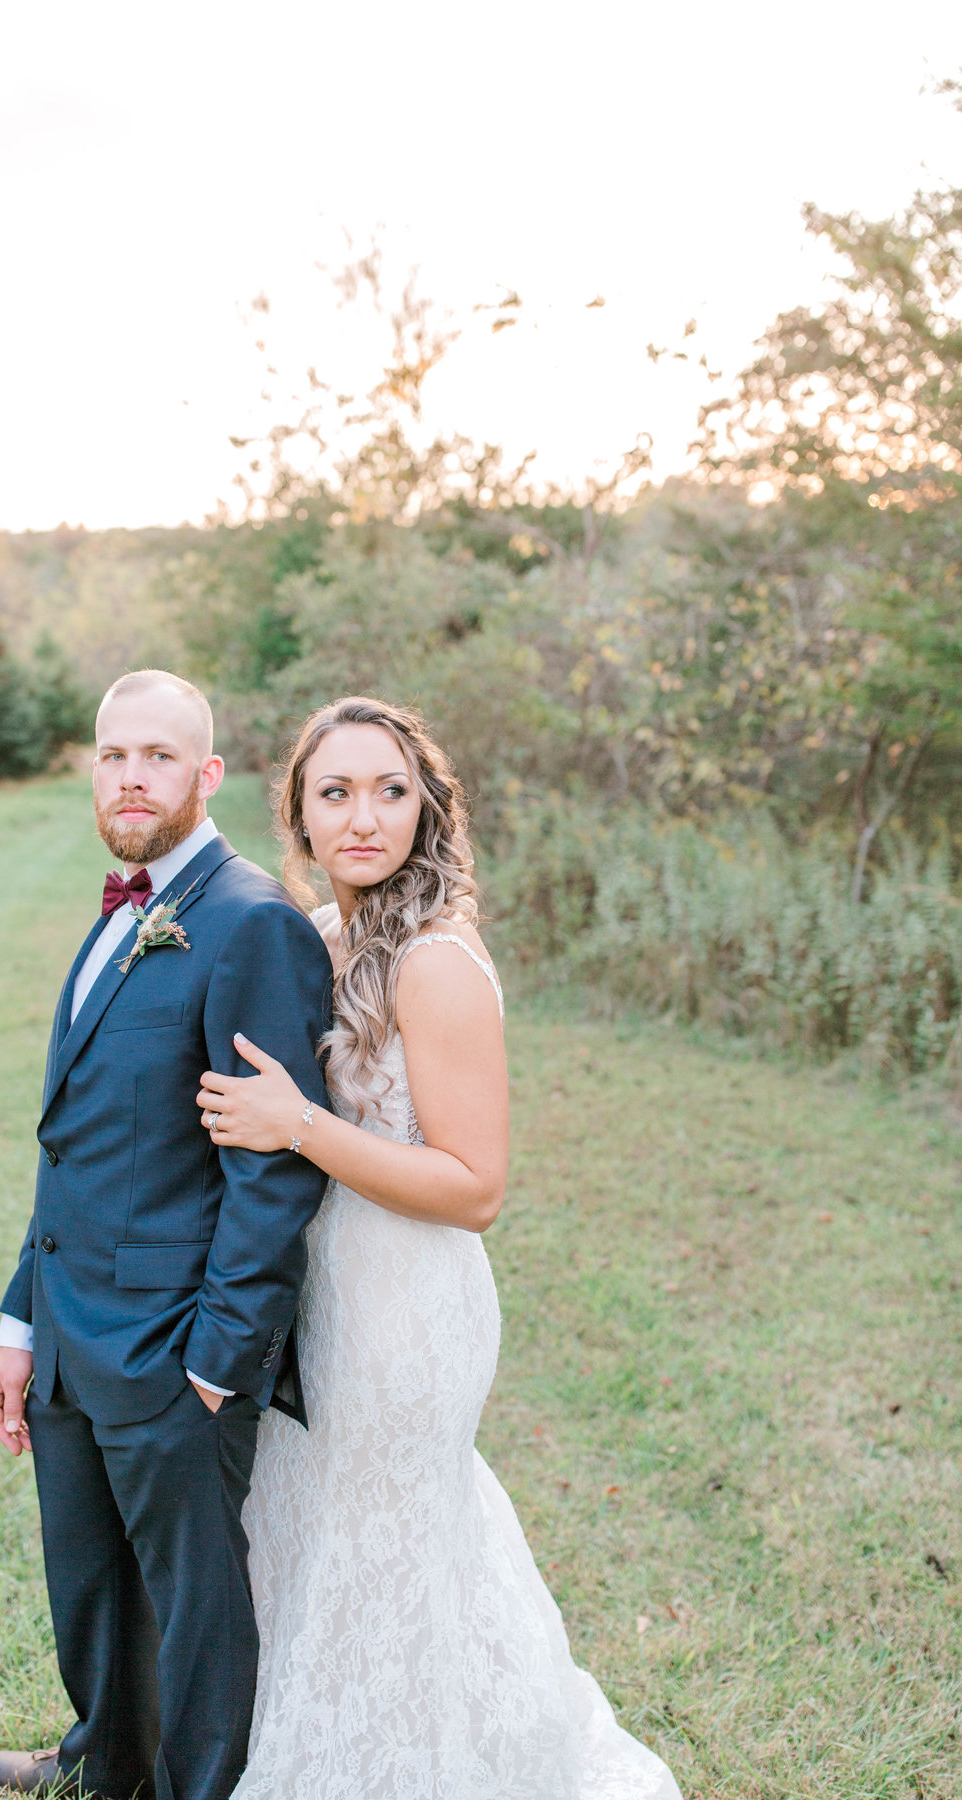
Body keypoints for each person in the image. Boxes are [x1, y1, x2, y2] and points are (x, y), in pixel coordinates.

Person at [196, 694, 683, 1800]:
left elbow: (476, 1188)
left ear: (426, 807)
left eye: (389, 790)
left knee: (392, 1539)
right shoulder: (323, 937)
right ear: (301, 817)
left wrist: (303, 1127)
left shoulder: (436, 962)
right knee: (314, 1531)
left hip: (406, 1307)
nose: (363, 815)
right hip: (319, 1296)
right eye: (335, 792)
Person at [0, 669, 333, 1800]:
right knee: (89, 1577)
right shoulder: (121, 911)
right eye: (115, 755)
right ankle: (104, 1761)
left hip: (176, 1343)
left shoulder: (251, 923)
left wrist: (222, 1362)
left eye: (160, 757)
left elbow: (273, 1172)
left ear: (207, 774)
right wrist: (17, 1324)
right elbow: (74, 1142)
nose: (133, 777)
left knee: (192, 1602)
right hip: (71, 1327)